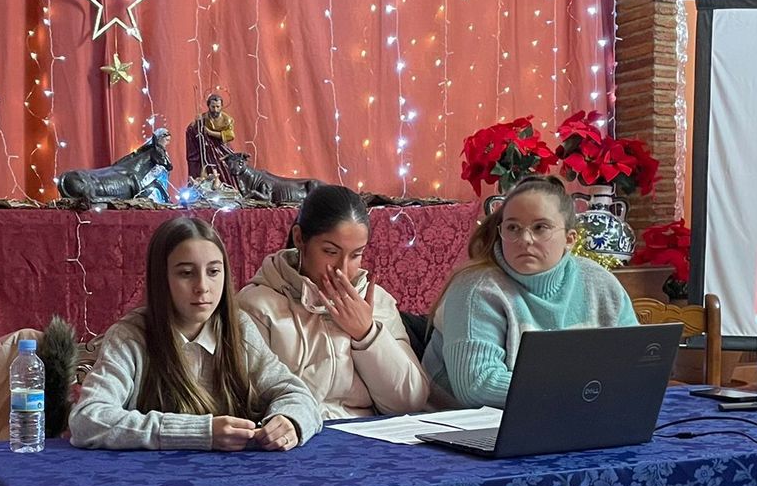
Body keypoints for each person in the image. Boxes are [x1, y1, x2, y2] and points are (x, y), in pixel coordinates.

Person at [70, 217, 323, 449]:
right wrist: (200, 432)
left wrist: (289, 420)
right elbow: (88, 420)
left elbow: (297, 394)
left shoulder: (239, 328)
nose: (202, 287)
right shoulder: (130, 338)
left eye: (213, 272)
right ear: (162, 278)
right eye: (186, 273)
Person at [422, 175, 637, 408]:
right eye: (513, 228)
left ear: (570, 239)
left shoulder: (599, 282)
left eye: (540, 227)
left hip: (571, 411)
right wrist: (579, 388)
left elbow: (636, 360)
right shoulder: (475, 288)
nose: (525, 239)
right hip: (462, 424)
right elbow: (477, 386)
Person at [238, 185, 429, 418]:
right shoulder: (257, 306)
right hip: (296, 438)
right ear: (299, 238)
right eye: (330, 251)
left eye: (356, 255)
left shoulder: (376, 301)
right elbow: (250, 401)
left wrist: (367, 335)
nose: (342, 269)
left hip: (370, 439)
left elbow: (410, 402)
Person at [186, 90, 237, 182]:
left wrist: (210, 132)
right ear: (208, 106)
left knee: (225, 165)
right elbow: (194, 132)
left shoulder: (227, 119)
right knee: (204, 162)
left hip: (221, 147)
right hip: (206, 149)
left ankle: (225, 182)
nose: (215, 109)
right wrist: (196, 123)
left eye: (218, 106)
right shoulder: (203, 117)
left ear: (221, 106)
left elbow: (230, 135)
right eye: (213, 107)